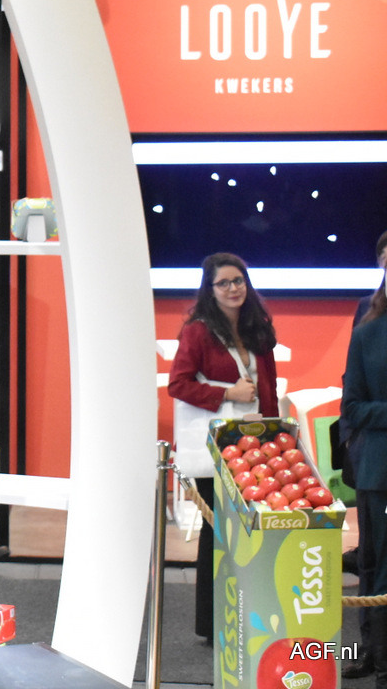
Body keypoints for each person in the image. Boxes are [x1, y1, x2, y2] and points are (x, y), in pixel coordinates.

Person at [168, 252, 278, 640]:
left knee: (249, 528)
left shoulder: (257, 327)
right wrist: (228, 393)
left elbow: (268, 387)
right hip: (215, 447)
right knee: (217, 528)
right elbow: (178, 384)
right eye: (224, 283)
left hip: (254, 445)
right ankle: (213, 623)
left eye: (238, 281)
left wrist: (274, 437)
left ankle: (249, 613)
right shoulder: (198, 331)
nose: (233, 288)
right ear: (210, 289)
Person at [341, 229, 387, 679]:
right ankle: (369, 654)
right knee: (371, 563)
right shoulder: (368, 324)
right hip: (376, 463)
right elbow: (351, 401)